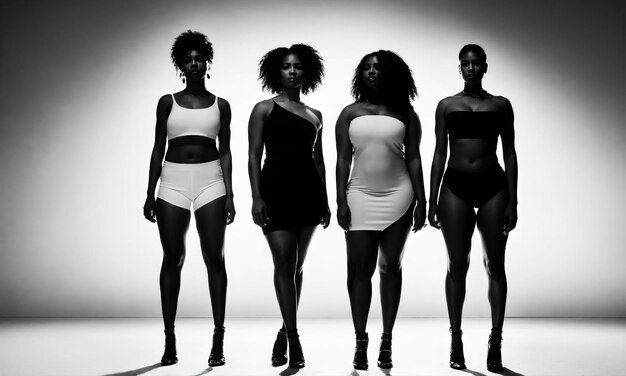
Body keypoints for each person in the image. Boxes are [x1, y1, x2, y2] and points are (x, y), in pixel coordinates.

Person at [143, 30, 235, 367]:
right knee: (173, 257)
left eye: (199, 59)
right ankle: (169, 337)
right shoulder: (167, 102)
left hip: (211, 180)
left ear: (207, 63)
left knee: (215, 258)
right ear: (180, 65)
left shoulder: (221, 105)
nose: (194, 64)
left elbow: (225, 152)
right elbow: (157, 148)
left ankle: (218, 336)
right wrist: (150, 191)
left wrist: (230, 194)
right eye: (188, 60)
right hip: (172, 182)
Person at [428, 44, 518, 372]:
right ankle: (456, 337)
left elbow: (509, 154)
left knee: (495, 264)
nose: (470, 68)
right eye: (465, 63)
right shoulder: (447, 105)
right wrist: (432, 197)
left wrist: (514, 200)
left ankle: (496, 339)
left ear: (485, 67)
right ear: (459, 67)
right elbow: (439, 153)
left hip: (493, 186)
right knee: (457, 264)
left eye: (476, 63)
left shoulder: (501, 105)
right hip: (456, 187)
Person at [335, 50, 427, 370]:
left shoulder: (406, 113)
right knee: (360, 270)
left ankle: (386, 339)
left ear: (392, 74)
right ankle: (361, 341)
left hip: (400, 194)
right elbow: (343, 160)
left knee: (390, 267)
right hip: (359, 194)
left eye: (379, 68)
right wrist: (340, 200)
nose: (372, 72)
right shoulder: (350, 113)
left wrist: (422, 199)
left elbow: (413, 157)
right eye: (367, 68)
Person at [248, 44, 330, 369]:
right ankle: (294, 338)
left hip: (308, 193)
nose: (292, 71)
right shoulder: (263, 109)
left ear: (306, 72)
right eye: (286, 66)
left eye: (297, 66)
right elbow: (254, 155)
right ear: (276, 72)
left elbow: (319, 162)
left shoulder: (315, 116)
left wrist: (325, 201)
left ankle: (283, 329)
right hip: (275, 191)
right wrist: (256, 197)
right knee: (284, 260)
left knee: (295, 267)